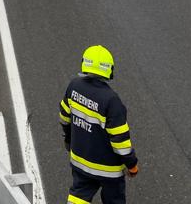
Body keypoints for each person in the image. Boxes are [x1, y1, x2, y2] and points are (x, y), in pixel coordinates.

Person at [59, 45, 138, 204]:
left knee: (78, 195)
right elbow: (120, 141)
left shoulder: (73, 86)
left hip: (80, 161)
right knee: (114, 200)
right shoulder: (111, 100)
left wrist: (68, 140)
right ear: (108, 69)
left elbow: (64, 118)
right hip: (109, 170)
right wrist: (132, 164)